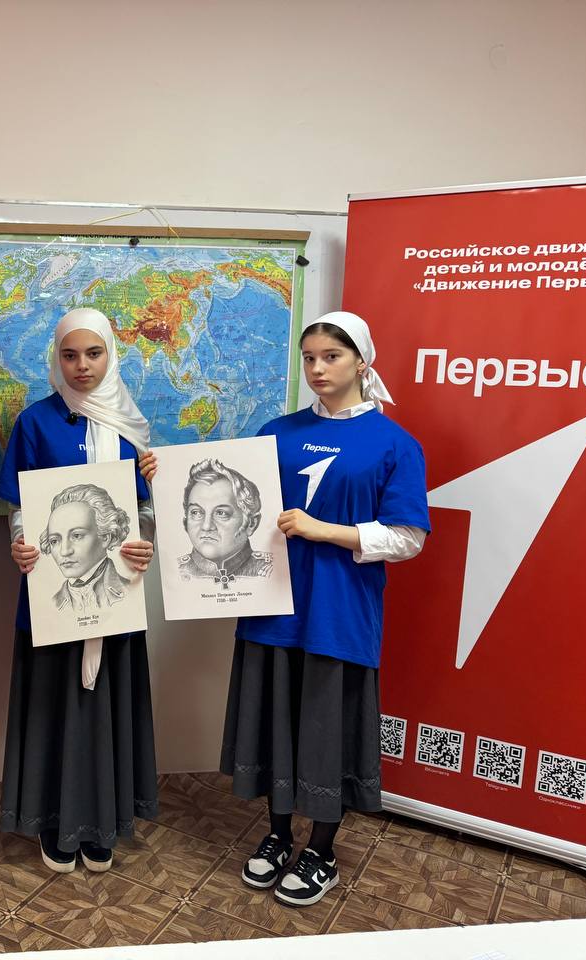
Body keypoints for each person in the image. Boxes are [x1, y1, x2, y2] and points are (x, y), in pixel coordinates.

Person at [220, 311, 429, 907]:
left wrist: (325, 530)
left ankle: (322, 850)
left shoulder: (395, 443)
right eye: (309, 357)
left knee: (325, 730)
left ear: (361, 361)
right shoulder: (276, 432)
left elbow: (408, 537)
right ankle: (278, 835)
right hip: (272, 607)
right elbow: (232, 503)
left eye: (331, 357)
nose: (317, 368)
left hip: (339, 612)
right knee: (276, 724)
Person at [0, 306, 158, 875]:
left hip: (115, 597)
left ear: (111, 354)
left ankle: (101, 821)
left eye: (93, 353)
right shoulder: (35, 423)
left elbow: (141, 509)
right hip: (51, 598)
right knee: (53, 706)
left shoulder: (132, 426)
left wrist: (145, 541)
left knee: (106, 706)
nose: (82, 365)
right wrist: (20, 544)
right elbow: (21, 507)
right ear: (56, 359)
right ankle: (53, 821)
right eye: (70, 355)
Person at [178, 458, 273, 584]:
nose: (206, 526)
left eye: (221, 513)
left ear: (251, 523)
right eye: (196, 512)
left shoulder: (272, 570)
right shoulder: (175, 571)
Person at [39, 484, 132, 612]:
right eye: (54, 541)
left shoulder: (130, 592)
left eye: (77, 536)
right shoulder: (50, 605)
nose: (64, 551)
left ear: (105, 537)